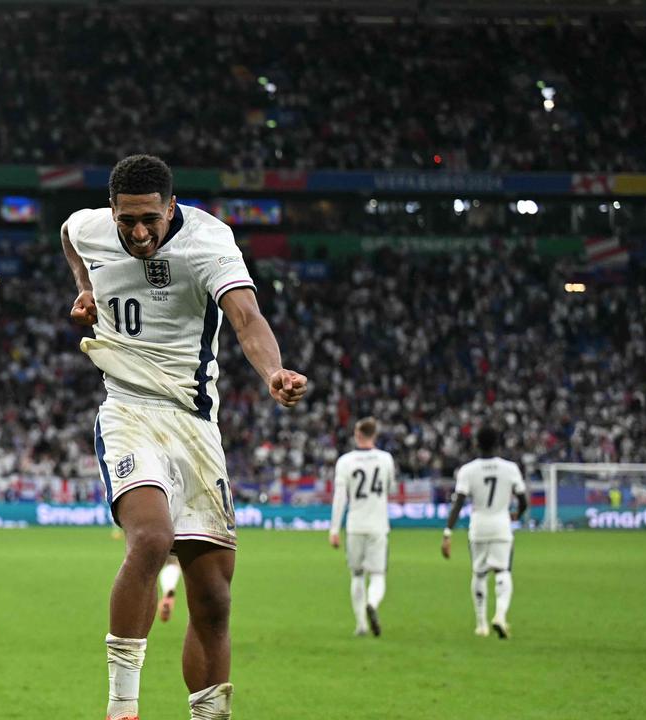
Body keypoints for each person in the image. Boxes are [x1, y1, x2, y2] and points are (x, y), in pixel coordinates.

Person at [61, 154, 307, 720]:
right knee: (150, 539)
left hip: (195, 423)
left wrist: (273, 371)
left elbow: (245, 317)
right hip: (127, 409)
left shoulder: (208, 241)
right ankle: (122, 707)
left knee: (214, 599)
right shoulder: (92, 226)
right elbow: (69, 236)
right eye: (127, 221)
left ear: (172, 208)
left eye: (151, 218)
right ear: (112, 211)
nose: (139, 232)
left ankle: (209, 715)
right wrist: (84, 289)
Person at [442, 426, 528, 639]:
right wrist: (517, 514)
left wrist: (447, 532)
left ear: (476, 444)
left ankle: (481, 624)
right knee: (503, 571)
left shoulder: (468, 470)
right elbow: (524, 500)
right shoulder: (510, 468)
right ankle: (500, 614)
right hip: (501, 525)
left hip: (478, 527)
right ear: (498, 443)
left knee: (479, 574)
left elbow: (458, 503)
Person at [328, 417, 396, 637]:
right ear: (374, 435)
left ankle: (361, 625)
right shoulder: (386, 459)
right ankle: (373, 603)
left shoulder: (345, 461)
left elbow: (340, 497)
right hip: (378, 525)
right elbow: (390, 488)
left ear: (357, 434)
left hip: (355, 525)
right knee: (377, 574)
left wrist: (334, 529)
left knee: (357, 575)